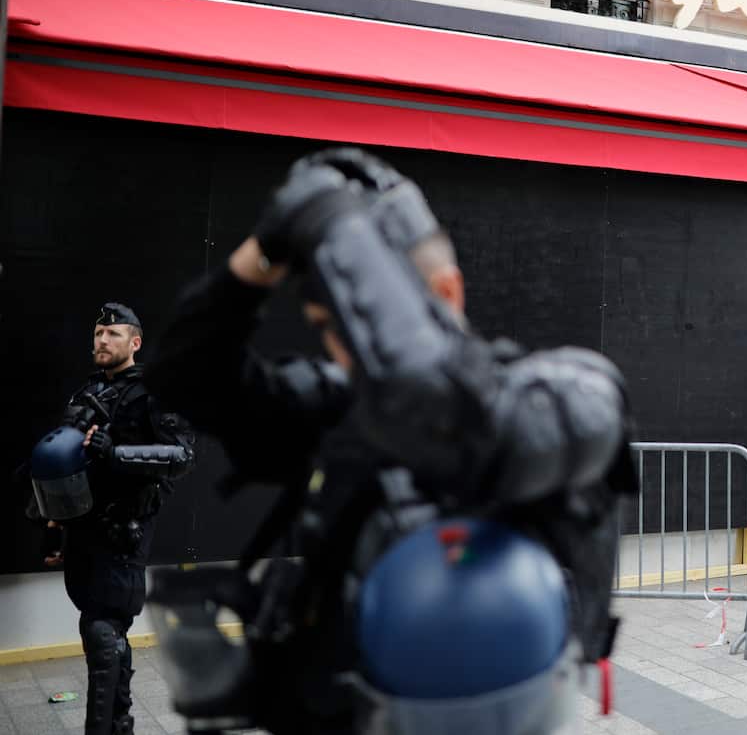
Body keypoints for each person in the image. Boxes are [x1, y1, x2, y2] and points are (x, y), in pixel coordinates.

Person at [145, 149, 636, 734]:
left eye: (355, 327)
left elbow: (437, 408)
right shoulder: (340, 414)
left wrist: (330, 221)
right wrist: (263, 256)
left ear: (447, 292)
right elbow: (183, 377)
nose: (345, 353)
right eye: (328, 331)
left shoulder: (573, 399)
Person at [37, 303, 196, 735]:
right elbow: (66, 465)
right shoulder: (85, 393)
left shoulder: (153, 392)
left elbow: (182, 455)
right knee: (103, 635)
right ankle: (119, 726)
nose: (102, 341)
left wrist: (115, 451)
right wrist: (54, 525)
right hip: (83, 533)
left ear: (135, 343)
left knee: (103, 631)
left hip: (124, 533)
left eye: (113, 334)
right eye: (98, 334)